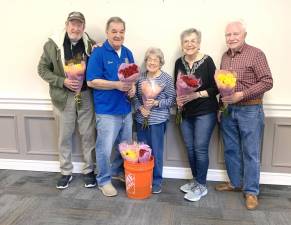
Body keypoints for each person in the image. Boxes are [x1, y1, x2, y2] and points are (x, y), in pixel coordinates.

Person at [215, 21, 273, 210]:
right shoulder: (225, 56)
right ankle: (235, 183)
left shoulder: (256, 54)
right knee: (231, 149)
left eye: (235, 34)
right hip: (228, 110)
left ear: (244, 35)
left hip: (250, 109)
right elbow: (223, 84)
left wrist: (242, 94)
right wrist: (220, 107)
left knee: (251, 152)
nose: (231, 38)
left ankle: (251, 192)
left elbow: (267, 81)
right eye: (228, 35)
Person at [38, 12, 96, 189]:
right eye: (73, 24)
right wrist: (62, 81)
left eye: (79, 25)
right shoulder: (52, 45)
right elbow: (42, 70)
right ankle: (65, 172)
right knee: (64, 136)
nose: (75, 28)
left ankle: (89, 171)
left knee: (88, 134)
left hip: (85, 96)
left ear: (83, 28)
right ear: (66, 25)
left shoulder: (91, 45)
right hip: (63, 97)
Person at [86, 17, 135, 197]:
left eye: (121, 31)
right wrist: (116, 85)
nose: (118, 35)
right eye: (114, 31)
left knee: (125, 147)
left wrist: (132, 89)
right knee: (104, 149)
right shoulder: (98, 53)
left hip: (126, 110)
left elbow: (132, 78)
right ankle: (104, 181)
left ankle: (118, 172)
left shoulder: (128, 53)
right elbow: (91, 81)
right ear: (107, 33)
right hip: (106, 111)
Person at [174, 28, 218, 201]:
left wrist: (196, 94)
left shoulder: (207, 61)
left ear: (199, 43)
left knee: (200, 148)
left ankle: (201, 185)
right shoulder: (179, 62)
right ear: (182, 44)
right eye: (186, 41)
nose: (189, 44)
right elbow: (176, 83)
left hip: (205, 111)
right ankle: (195, 180)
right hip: (185, 112)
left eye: (193, 41)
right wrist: (178, 100)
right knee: (190, 148)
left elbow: (216, 88)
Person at [134, 47, 176, 194]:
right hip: (141, 120)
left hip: (158, 121)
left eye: (155, 60)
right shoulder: (140, 77)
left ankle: (157, 181)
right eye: (149, 60)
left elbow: (172, 100)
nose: (152, 63)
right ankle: (144, 177)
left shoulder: (166, 79)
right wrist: (141, 108)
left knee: (156, 152)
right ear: (146, 61)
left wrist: (157, 103)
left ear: (161, 62)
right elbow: (134, 97)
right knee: (142, 152)